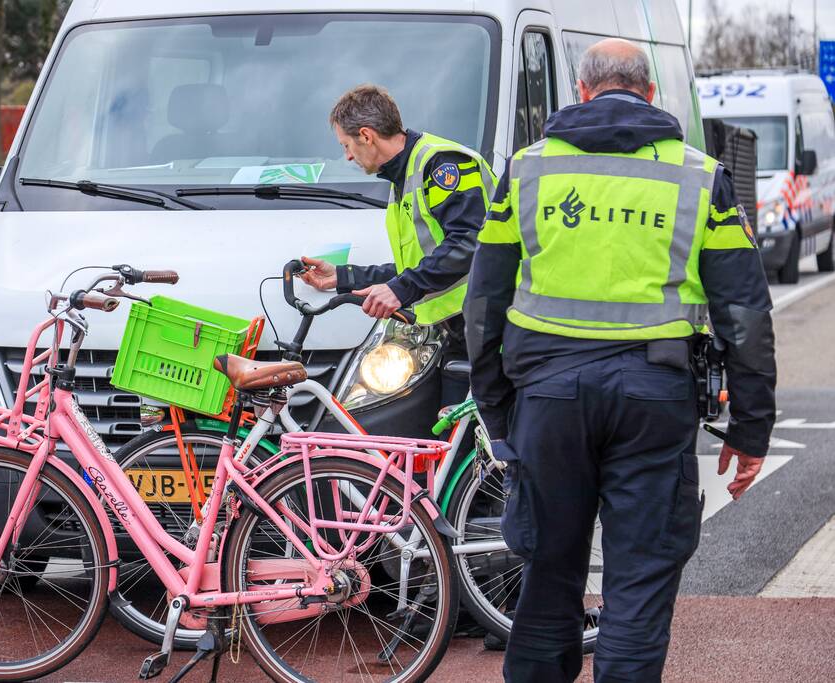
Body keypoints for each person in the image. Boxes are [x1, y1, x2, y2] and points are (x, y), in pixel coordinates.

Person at [464, 39, 776, 683]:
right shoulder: (698, 174)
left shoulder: (526, 171)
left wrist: (497, 415)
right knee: (638, 576)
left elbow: (483, 305)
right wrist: (750, 429)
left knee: (547, 571)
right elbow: (744, 313)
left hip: (545, 402)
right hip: (653, 399)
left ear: (580, 91)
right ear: (651, 93)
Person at [301, 84, 496, 404]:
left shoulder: (442, 163)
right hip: (462, 331)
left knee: (485, 440)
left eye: (346, 145)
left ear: (366, 135)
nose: (347, 156)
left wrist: (400, 289)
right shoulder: (404, 176)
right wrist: (344, 277)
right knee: (450, 437)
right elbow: (419, 262)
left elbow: (470, 241)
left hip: (492, 328)